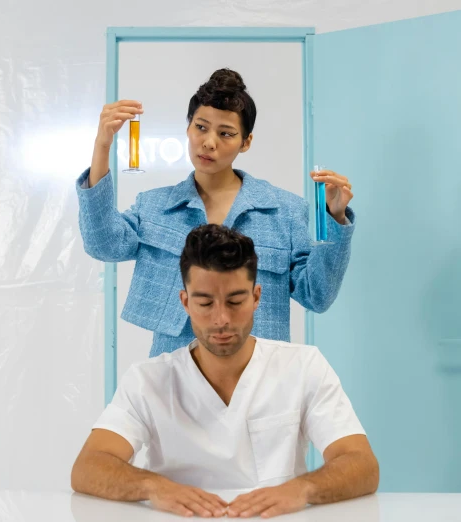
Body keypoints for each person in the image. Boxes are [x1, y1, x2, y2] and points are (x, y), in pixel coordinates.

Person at [70, 225, 379, 519]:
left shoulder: (303, 366)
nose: (221, 319)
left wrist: (303, 489)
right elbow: (88, 466)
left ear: (257, 297)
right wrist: (153, 486)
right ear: (185, 302)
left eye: (235, 301)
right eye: (205, 302)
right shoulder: (147, 380)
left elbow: (362, 464)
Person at [76, 68, 356, 357]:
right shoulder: (155, 207)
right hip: (174, 375)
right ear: (188, 128)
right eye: (201, 127)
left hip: (257, 376)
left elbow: (317, 295)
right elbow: (103, 245)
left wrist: (334, 218)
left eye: (226, 133)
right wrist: (102, 147)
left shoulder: (285, 211)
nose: (209, 142)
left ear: (245, 142)